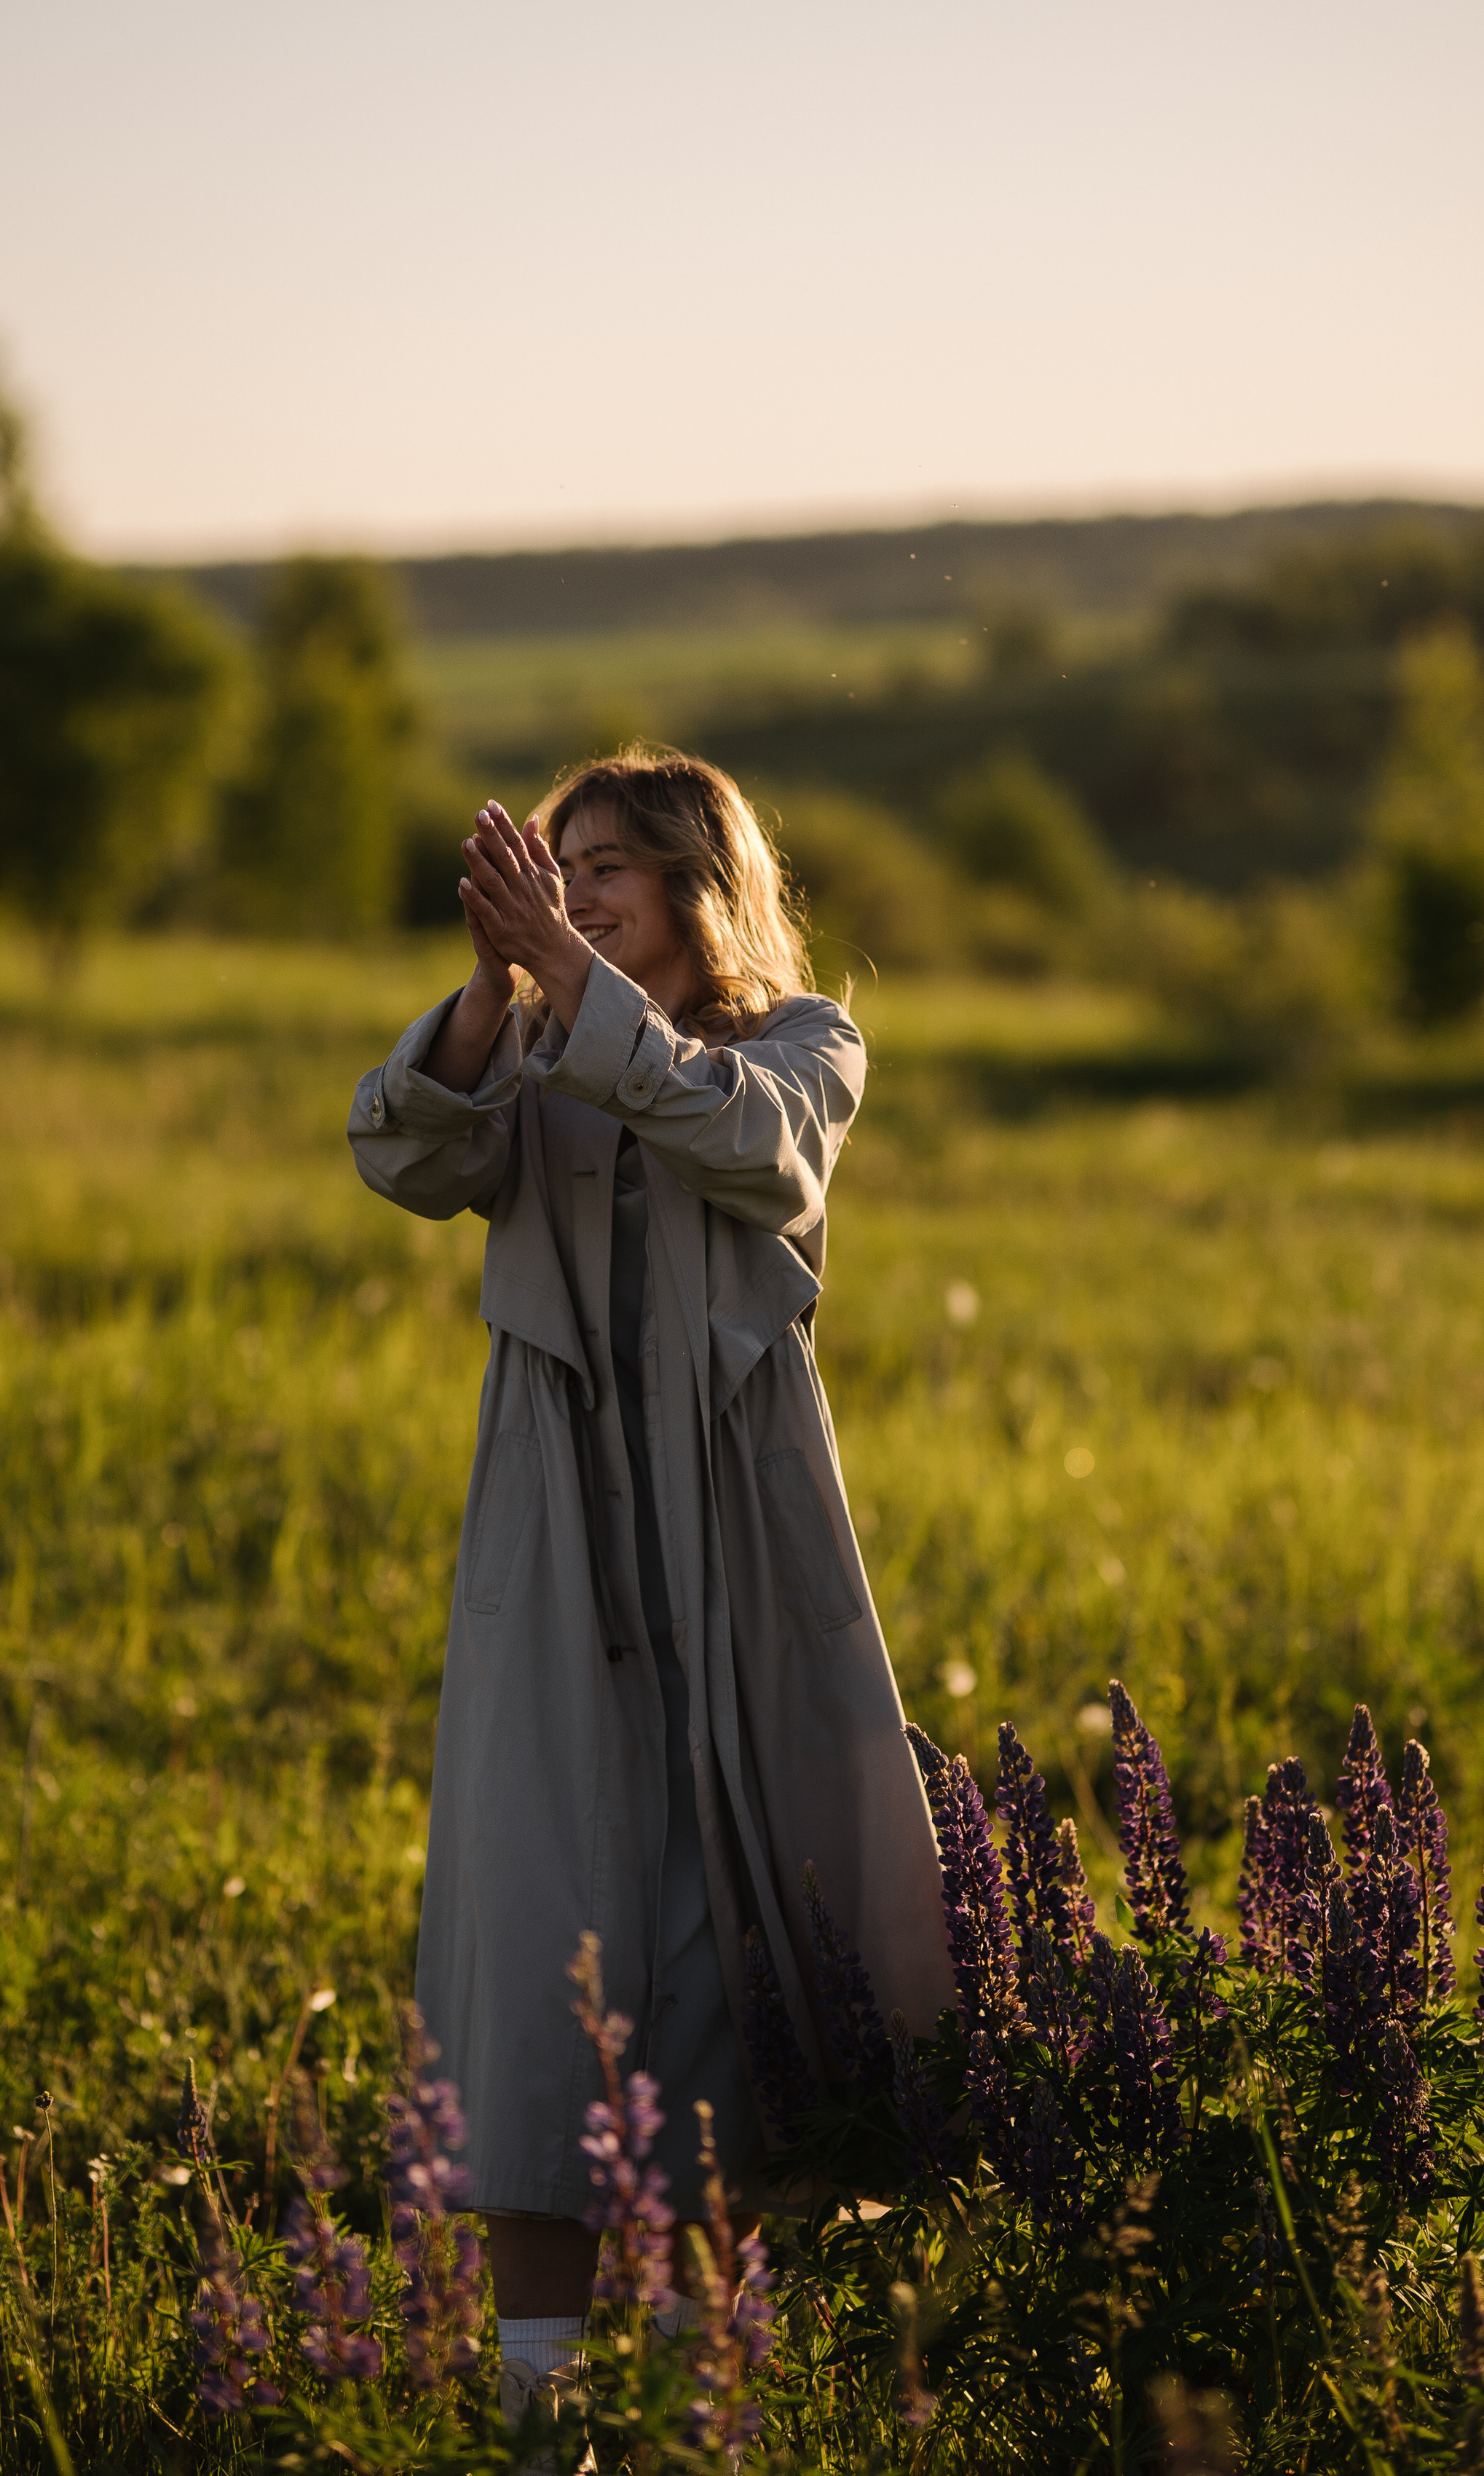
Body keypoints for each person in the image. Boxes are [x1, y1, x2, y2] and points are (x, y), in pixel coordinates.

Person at [347, 749, 952, 2429]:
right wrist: (489, 993)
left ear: (699, 883)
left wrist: (572, 986)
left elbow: (759, 1155)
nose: (576, 890)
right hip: (553, 1550)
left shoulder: (800, 1044)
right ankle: (537, 2407)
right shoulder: (532, 1045)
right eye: (558, 865)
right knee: (544, 1925)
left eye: (608, 864)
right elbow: (401, 1158)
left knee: (744, 1934)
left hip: (743, 1556)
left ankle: (715, 2391)